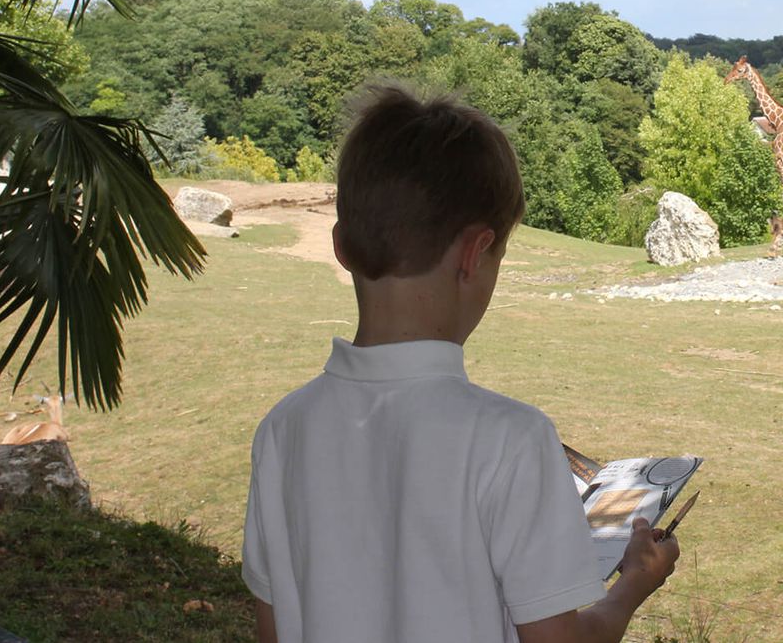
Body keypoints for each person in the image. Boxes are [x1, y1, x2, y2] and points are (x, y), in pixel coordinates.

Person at [242, 84, 679, 643]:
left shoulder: (283, 429)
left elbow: (273, 628)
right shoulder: (513, 440)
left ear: (342, 246)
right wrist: (634, 583)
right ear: (475, 254)